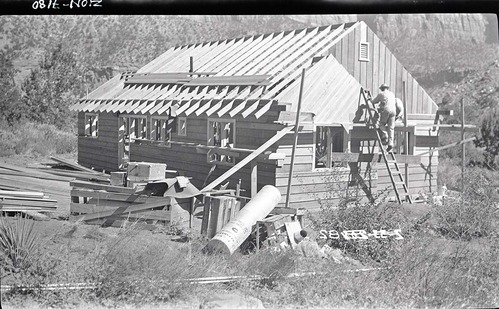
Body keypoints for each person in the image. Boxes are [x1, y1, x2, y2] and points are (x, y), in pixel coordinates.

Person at [371, 83, 396, 152]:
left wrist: (370, 100)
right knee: (391, 127)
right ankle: (390, 143)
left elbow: (373, 102)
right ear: (387, 88)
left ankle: (386, 136)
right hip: (393, 111)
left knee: (381, 124)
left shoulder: (381, 94)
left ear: (382, 89)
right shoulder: (392, 94)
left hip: (386, 110)